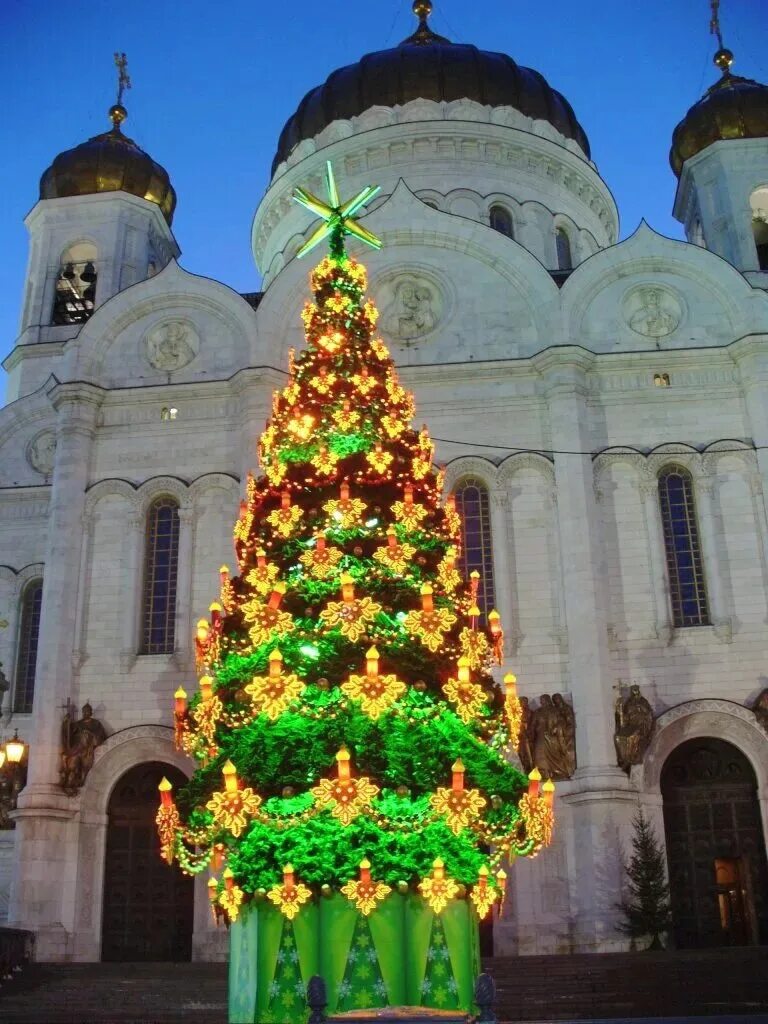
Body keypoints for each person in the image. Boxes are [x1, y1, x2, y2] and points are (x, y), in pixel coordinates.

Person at [60, 702, 107, 795]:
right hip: (76, 748)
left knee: (81, 764)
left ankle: (76, 780)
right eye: (84, 711)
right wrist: (67, 722)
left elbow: (101, 736)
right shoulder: (78, 724)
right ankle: (69, 782)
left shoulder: (96, 723)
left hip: (86, 748)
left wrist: (88, 733)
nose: (85, 713)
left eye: (87, 711)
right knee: (71, 763)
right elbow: (69, 734)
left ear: (91, 712)